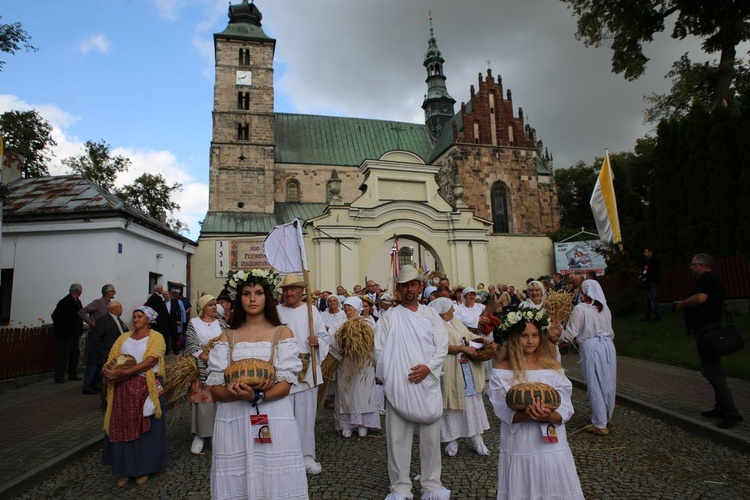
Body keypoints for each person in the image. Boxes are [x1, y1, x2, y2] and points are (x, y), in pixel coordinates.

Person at [206, 269, 308, 499]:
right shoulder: (226, 338)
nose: (252, 299)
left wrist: (258, 397)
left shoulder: (282, 333)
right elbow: (214, 390)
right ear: (238, 298)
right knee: (238, 478)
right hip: (233, 419)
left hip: (272, 415)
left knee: (271, 475)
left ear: (268, 297)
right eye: (246, 293)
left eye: (259, 293)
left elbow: (286, 384)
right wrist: (237, 394)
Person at [488, 307, 583, 500]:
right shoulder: (502, 370)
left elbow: (565, 407)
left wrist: (548, 415)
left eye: (535, 335)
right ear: (514, 338)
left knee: (553, 485)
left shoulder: (553, 367)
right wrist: (526, 415)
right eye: (524, 336)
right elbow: (500, 408)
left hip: (551, 442)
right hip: (520, 442)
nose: (530, 341)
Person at [375, 265, 450, 500]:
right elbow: (379, 351)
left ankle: (431, 484)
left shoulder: (431, 315)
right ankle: (400, 488)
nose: (410, 289)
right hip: (400, 385)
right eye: (405, 285)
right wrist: (396, 379)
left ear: (420, 287)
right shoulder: (389, 317)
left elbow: (442, 346)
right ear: (398, 288)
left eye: (413, 284)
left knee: (430, 441)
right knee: (397, 441)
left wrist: (427, 368)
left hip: (427, 383)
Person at [102, 306, 167, 488]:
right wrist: (106, 370)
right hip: (122, 389)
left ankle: (143, 468)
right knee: (121, 427)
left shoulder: (156, 337)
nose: (136, 319)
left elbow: (151, 360)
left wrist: (127, 372)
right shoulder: (124, 337)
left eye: (140, 316)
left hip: (145, 386)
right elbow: (112, 357)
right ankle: (125, 470)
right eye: (134, 316)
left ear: (148, 319)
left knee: (144, 427)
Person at [676, 253, 742, 429]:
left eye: (692, 264)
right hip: (709, 328)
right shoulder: (710, 279)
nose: (690, 268)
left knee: (710, 371)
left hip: (708, 330)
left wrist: (683, 304)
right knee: (715, 370)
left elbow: (700, 298)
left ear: (701, 265)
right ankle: (721, 407)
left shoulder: (705, 278)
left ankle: (730, 412)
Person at [276, 274, 330, 475]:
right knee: (283, 413)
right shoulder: (276, 311)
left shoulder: (311, 311)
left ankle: (306, 455)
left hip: (307, 368)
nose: (289, 293)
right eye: (286, 290)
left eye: (293, 289)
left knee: (306, 414)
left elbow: (324, 338)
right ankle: (284, 454)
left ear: (301, 291)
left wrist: (318, 343)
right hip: (282, 368)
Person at [429, 298, 491, 457]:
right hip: (450, 368)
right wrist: (462, 348)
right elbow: (439, 345)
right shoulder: (434, 324)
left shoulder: (455, 321)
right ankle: (451, 439)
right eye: (451, 308)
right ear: (442, 310)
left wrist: (480, 340)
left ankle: (476, 438)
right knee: (451, 403)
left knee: (471, 401)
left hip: (467, 367)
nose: (454, 311)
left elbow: (468, 335)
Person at [560, 279, 616, 435]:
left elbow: (571, 333)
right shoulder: (605, 309)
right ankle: (606, 416)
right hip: (609, 346)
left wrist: (557, 336)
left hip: (591, 346)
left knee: (594, 383)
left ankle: (600, 423)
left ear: (585, 292)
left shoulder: (580, 309)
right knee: (608, 381)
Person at [330, 296, 380, 437]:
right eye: (345, 306)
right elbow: (332, 339)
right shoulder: (339, 323)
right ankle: (347, 424)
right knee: (346, 392)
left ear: (356, 308)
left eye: (349, 306)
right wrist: (343, 342)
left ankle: (363, 423)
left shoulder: (366, 323)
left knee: (362, 392)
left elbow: (373, 341)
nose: (347, 309)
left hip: (362, 364)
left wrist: (360, 346)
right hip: (345, 362)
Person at [184, 295, 227, 455]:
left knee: (218, 399)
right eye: (210, 305)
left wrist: (219, 358)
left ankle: (217, 434)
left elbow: (228, 340)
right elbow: (191, 343)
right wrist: (205, 357)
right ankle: (200, 436)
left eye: (215, 304)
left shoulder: (222, 323)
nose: (214, 307)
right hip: (202, 365)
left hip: (220, 366)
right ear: (203, 308)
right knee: (202, 400)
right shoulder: (194, 323)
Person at [83, 300, 127, 395]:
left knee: (99, 368)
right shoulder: (103, 320)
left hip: (115, 351)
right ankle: (88, 386)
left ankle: (96, 385)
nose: (122, 310)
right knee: (95, 367)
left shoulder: (119, 320)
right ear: (114, 310)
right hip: (105, 351)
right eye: (120, 308)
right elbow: (97, 337)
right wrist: (103, 351)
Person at [81, 284, 117, 393]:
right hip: (95, 335)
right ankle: (87, 386)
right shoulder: (98, 302)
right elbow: (82, 312)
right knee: (93, 361)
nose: (114, 293)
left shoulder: (109, 304)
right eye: (113, 291)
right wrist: (91, 323)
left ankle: (96, 384)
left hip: (103, 336)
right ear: (107, 292)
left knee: (100, 362)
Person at [51, 283, 85, 384]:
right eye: (81, 290)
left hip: (75, 332)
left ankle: (72, 374)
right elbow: (55, 316)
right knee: (63, 354)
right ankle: (59, 376)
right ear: (77, 291)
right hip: (66, 333)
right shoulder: (65, 301)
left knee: (75, 353)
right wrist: (61, 327)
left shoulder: (78, 301)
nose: (82, 292)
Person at [640, 247, 662, 322]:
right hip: (649, 282)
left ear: (650, 252)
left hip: (651, 282)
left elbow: (650, 272)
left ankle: (657, 316)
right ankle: (647, 316)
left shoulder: (653, 261)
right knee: (648, 301)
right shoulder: (649, 261)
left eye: (646, 252)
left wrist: (643, 276)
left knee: (653, 300)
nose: (645, 254)